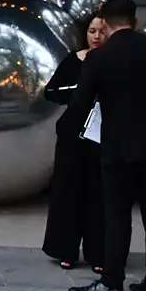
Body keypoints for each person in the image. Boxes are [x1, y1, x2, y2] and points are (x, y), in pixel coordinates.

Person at [66, 0, 146, 291]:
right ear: (135, 21)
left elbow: (80, 103)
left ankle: (112, 281)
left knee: (117, 215)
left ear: (105, 23)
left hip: (119, 145)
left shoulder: (100, 58)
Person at [41, 15, 107, 271]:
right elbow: (51, 92)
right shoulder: (74, 60)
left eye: (101, 31)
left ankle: (99, 253)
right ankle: (65, 249)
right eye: (92, 31)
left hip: (103, 135)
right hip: (73, 135)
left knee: (100, 195)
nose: (96, 36)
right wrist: (78, 90)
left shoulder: (113, 61)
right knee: (68, 192)